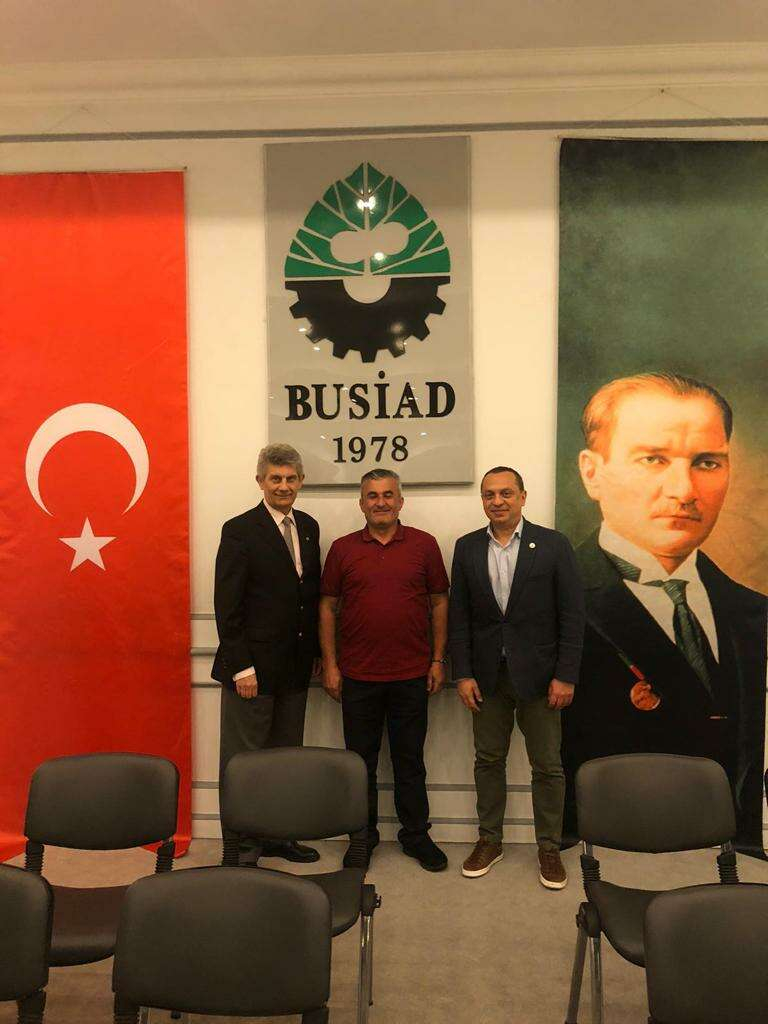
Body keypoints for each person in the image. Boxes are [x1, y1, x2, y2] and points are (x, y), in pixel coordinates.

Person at [563, 372, 767, 851]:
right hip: (616, 840)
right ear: (592, 473)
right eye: (653, 459)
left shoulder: (753, 611)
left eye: (707, 462)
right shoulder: (561, 596)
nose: (684, 490)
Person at [449, 467, 585, 888]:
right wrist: (462, 673)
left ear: (523, 497)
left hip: (542, 679)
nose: (498, 501)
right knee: (488, 760)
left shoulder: (553, 545)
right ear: (483, 501)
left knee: (547, 766)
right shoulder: (467, 547)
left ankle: (549, 847)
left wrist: (566, 675)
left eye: (506, 493)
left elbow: (572, 615)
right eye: (489, 494)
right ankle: (490, 840)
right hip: (487, 678)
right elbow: (459, 618)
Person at [319, 469, 450, 872]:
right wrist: (330, 664)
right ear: (361, 503)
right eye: (372, 496)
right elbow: (327, 606)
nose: (381, 502)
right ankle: (362, 837)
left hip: (411, 674)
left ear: (400, 501)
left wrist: (437, 659)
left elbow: (439, 602)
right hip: (358, 677)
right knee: (361, 764)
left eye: (388, 495)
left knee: (410, 762)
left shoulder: (424, 545)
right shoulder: (342, 549)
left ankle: (416, 835)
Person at [212, 442, 322, 863]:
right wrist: (241, 666)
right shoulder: (239, 530)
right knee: (243, 763)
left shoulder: (308, 527)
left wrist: (315, 652)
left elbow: (307, 597)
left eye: (291, 478)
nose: (283, 486)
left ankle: (279, 836)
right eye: (275, 478)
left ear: (301, 481)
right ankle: (240, 848)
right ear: (260, 481)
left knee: (284, 760)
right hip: (251, 672)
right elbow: (228, 604)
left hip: (294, 669)